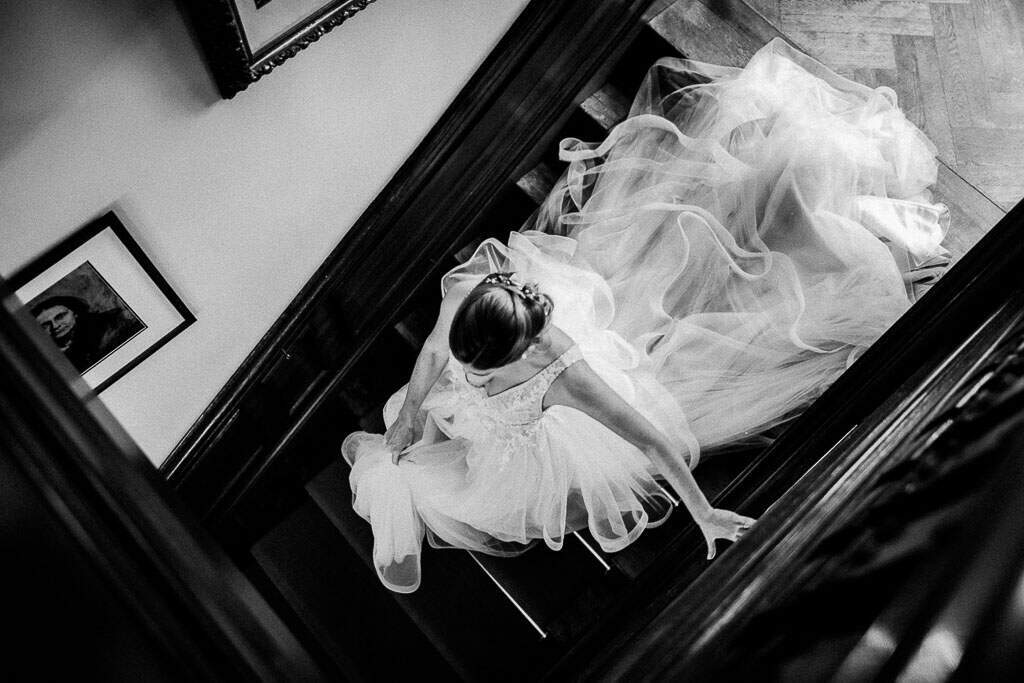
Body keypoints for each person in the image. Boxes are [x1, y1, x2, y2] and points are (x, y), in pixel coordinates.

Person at [341, 38, 949, 593]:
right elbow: (433, 352)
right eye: (469, 362)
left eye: (484, 367)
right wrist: (414, 410)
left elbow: (650, 440)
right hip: (503, 425)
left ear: (525, 349)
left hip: (560, 408)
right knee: (429, 451)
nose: (469, 376)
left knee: (720, 292)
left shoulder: (564, 373)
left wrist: (704, 513)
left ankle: (802, 203)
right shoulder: (465, 302)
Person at [31, 294, 143, 372]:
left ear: (75, 313)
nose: (55, 326)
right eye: (45, 325)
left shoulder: (108, 325)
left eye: (60, 316)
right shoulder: (46, 360)